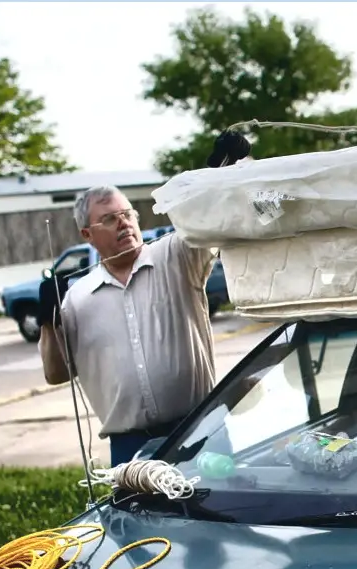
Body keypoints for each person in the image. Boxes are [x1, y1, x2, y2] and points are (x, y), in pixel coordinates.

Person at [39, 132, 252, 466]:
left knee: (219, 513)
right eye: (110, 219)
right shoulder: (77, 297)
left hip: (199, 428)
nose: (124, 223)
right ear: (87, 234)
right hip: (130, 448)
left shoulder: (176, 256)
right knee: (142, 520)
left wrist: (220, 167)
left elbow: (205, 216)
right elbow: (55, 374)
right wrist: (47, 323)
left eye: (128, 214)